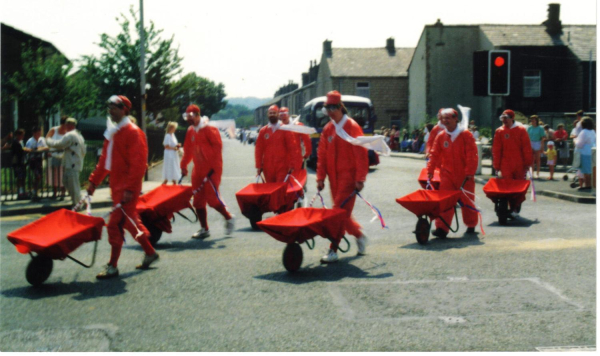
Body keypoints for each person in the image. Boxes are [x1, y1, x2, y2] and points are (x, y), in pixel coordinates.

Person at [87, 95, 159, 279]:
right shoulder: (112, 132)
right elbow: (104, 161)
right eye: (109, 106)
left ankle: (112, 266)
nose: (111, 110)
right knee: (128, 221)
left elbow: (138, 164)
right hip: (117, 186)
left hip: (127, 188)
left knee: (114, 225)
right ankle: (150, 253)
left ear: (125, 109)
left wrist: (128, 189)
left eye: (115, 107)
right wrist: (94, 182)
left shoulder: (133, 132)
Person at [316, 91, 369, 263]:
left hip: (348, 179)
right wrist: (320, 178)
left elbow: (361, 154)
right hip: (333, 180)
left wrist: (360, 178)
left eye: (333, 108)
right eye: (327, 108)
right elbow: (322, 155)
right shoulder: (328, 129)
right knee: (342, 214)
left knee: (337, 213)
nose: (330, 112)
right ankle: (359, 235)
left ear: (340, 107)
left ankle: (333, 249)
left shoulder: (352, 127)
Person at [180, 104, 235, 239]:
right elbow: (188, 150)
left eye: (191, 117)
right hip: (198, 170)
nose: (189, 120)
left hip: (211, 170)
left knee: (212, 200)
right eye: (187, 118)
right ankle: (204, 229)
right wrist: (184, 166)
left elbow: (217, 149)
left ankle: (228, 218)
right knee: (197, 201)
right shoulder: (191, 131)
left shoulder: (210, 129)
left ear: (198, 115)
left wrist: (213, 169)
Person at [427, 108, 478, 238]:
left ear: (456, 119)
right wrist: (430, 171)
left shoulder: (465, 135)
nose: (445, 121)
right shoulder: (441, 136)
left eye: (448, 118)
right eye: (444, 118)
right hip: (447, 174)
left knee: (467, 201)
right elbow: (434, 154)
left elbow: (472, 155)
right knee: (445, 201)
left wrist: (469, 172)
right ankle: (442, 228)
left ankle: (471, 225)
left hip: (464, 175)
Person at [492, 109, 533, 218]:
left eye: (506, 118)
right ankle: (505, 207)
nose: (504, 121)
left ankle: (515, 207)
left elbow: (526, 148)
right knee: (506, 187)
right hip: (505, 164)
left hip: (519, 164)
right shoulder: (499, 131)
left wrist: (527, 162)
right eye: (503, 118)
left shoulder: (521, 130)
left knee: (518, 187)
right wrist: (496, 165)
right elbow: (496, 149)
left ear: (512, 118)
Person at [46, 118, 86, 208]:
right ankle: (78, 201)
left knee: (73, 186)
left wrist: (48, 140)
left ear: (71, 125)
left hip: (72, 164)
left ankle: (78, 204)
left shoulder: (70, 135)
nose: (65, 126)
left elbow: (59, 144)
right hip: (73, 163)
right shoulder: (78, 135)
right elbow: (80, 150)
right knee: (67, 182)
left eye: (67, 124)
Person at [254, 105, 300, 183]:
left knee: (279, 189)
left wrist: (292, 164)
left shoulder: (285, 129)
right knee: (269, 189)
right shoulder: (263, 131)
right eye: (270, 113)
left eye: (274, 113)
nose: (272, 115)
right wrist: (258, 165)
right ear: (268, 115)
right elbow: (258, 149)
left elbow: (292, 147)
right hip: (268, 167)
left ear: (278, 114)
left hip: (282, 166)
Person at [25, 126, 48, 201]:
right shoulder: (30, 141)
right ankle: (34, 191)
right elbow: (28, 150)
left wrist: (39, 149)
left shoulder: (42, 139)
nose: (39, 134)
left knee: (39, 177)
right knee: (37, 176)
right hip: (33, 160)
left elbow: (47, 147)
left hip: (40, 160)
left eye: (40, 132)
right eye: (37, 133)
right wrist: (36, 149)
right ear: (34, 133)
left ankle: (35, 191)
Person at [46, 116, 67, 200]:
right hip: (54, 155)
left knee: (63, 175)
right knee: (54, 175)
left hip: (64, 156)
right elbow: (47, 139)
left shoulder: (68, 132)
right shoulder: (53, 130)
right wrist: (48, 150)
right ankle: (54, 193)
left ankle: (63, 193)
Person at [574, 117, 596, 190]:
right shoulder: (593, 131)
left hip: (584, 152)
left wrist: (575, 140)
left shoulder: (584, 132)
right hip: (592, 152)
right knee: (590, 170)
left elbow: (579, 144)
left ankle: (587, 186)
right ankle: (590, 185)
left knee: (586, 171)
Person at [11, 129, 27, 200]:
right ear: (18, 135)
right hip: (18, 163)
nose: (23, 136)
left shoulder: (20, 142)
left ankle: (23, 191)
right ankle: (20, 192)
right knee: (20, 178)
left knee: (23, 177)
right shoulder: (15, 142)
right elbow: (20, 151)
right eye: (22, 135)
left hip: (21, 162)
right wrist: (26, 150)